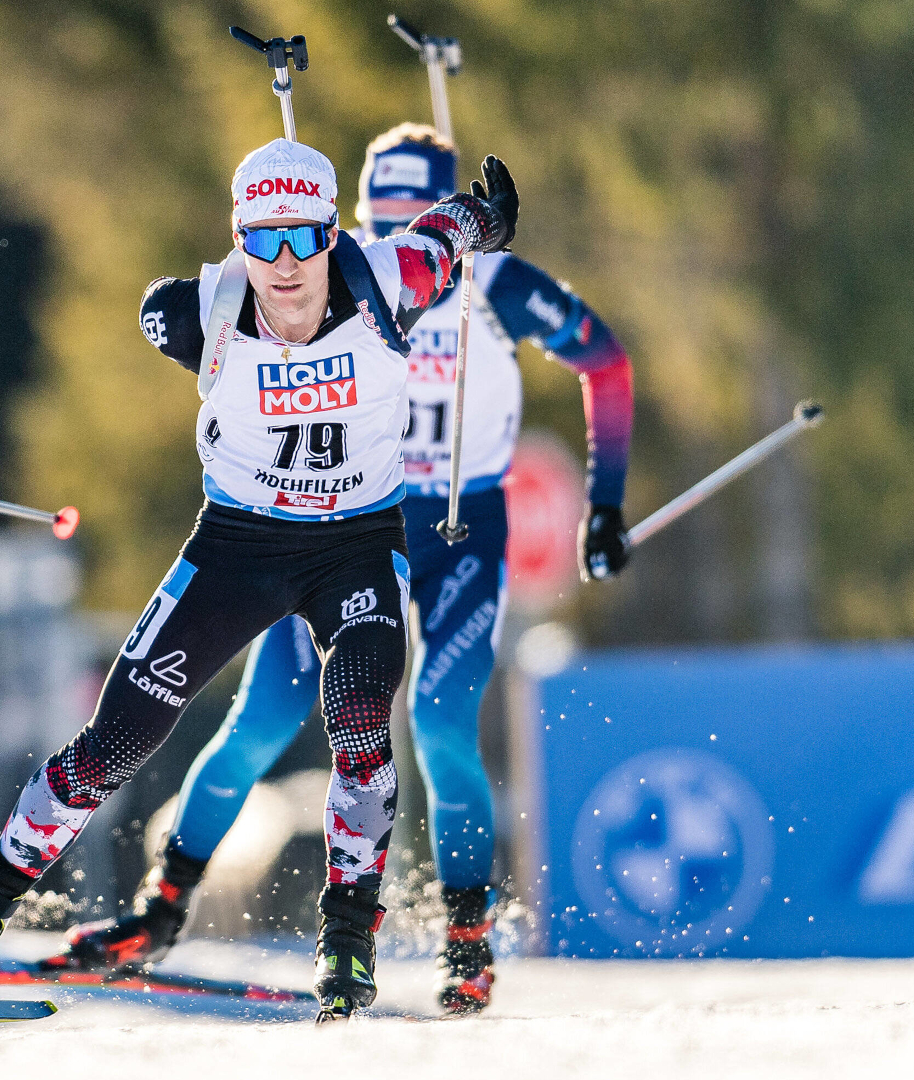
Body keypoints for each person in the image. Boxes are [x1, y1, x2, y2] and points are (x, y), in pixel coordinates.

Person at [0, 137, 519, 1021]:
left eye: (302, 241)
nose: (283, 268)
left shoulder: (391, 280)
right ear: (238, 239)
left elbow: (449, 232)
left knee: (359, 713)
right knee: (112, 746)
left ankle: (348, 940)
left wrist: (490, 218)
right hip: (237, 545)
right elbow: (154, 308)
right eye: (261, 241)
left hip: (354, 543)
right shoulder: (197, 312)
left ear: (333, 235)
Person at [50, 123, 637, 1015]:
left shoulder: (495, 284)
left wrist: (606, 500)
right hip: (348, 520)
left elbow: (605, 359)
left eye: (414, 217)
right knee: (265, 717)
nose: (394, 238)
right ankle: (160, 912)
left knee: (440, 723)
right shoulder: (344, 282)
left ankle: (467, 934)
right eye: (378, 218)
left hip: (462, 523)